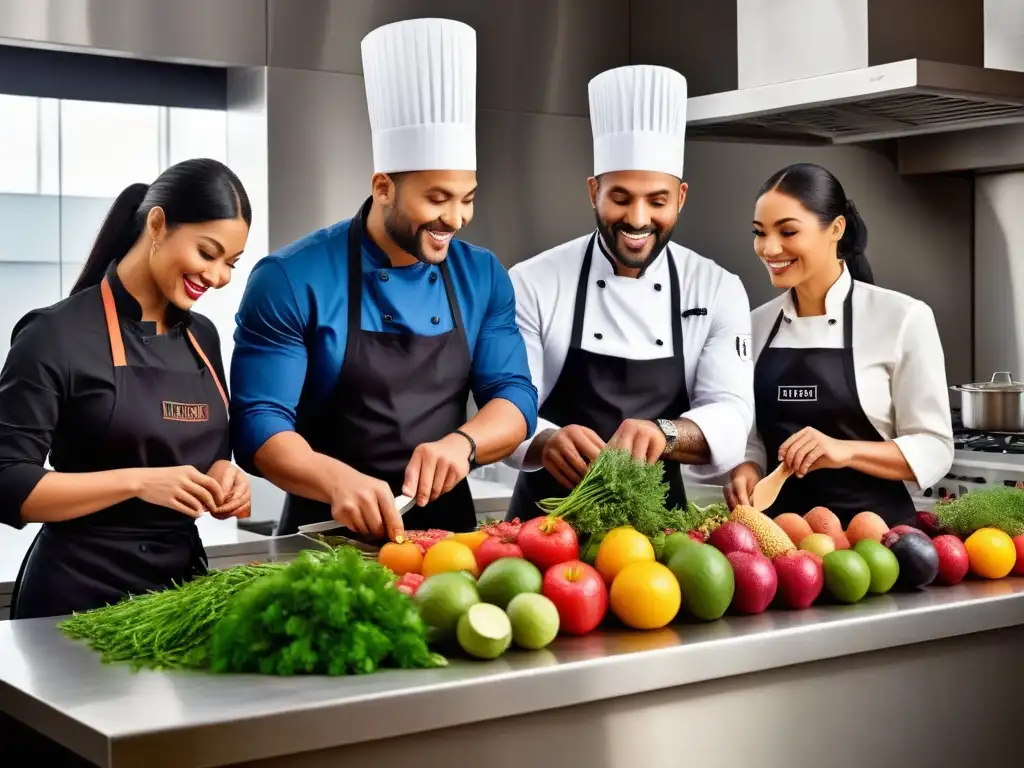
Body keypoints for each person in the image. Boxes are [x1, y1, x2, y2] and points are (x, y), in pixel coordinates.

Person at [230, 18, 538, 539]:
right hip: (325, 533)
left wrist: (461, 444)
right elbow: (259, 423)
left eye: (467, 199)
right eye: (436, 199)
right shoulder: (290, 278)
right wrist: (335, 480)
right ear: (383, 187)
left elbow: (513, 396)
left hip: (449, 545)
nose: (456, 219)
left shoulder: (482, 275)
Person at [0, 158, 253, 620]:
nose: (218, 277)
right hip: (76, 596)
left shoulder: (204, 337)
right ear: (157, 224)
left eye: (231, 263)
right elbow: (7, 481)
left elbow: (210, 451)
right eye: (207, 252)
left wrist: (223, 475)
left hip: (180, 596)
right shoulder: (54, 334)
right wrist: (138, 482)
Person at [504, 64, 755, 520]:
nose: (638, 219)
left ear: (680, 197)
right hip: (542, 530)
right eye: (620, 197)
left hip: (662, 540)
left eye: (656, 201)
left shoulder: (717, 288)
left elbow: (732, 416)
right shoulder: (532, 281)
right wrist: (545, 439)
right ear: (593, 192)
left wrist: (666, 434)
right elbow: (507, 404)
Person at [724, 163, 954, 526]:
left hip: (880, 547)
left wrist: (843, 451)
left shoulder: (903, 318)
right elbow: (753, 438)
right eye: (759, 232)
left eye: (787, 231)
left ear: (836, 229)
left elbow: (935, 448)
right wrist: (748, 466)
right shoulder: (754, 325)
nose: (769, 248)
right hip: (781, 550)